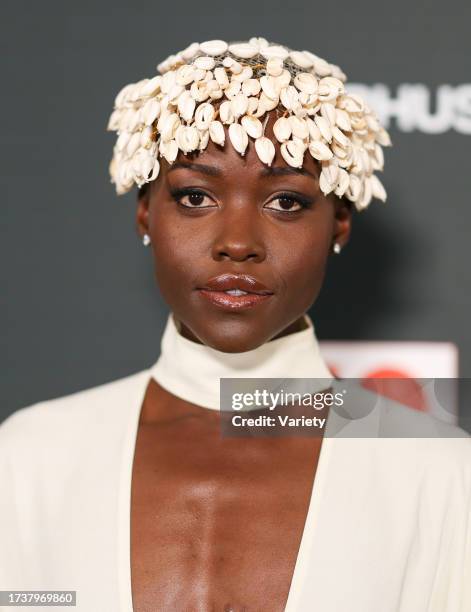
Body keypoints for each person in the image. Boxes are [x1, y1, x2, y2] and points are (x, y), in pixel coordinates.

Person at [1, 37, 470, 612]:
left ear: (340, 223)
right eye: (196, 196)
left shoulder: (438, 469)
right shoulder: (34, 455)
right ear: (146, 211)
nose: (238, 243)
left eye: (288, 203)